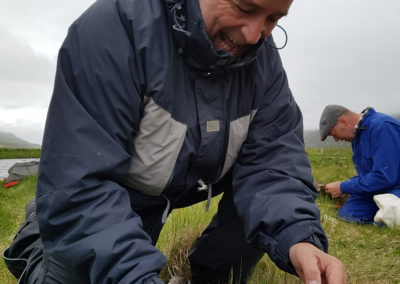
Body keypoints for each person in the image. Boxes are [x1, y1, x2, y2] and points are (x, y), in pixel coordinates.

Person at [4, 0, 345, 283]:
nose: (254, 35)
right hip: (118, 191)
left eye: (273, 18)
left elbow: (273, 164)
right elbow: (83, 184)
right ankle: (36, 238)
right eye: (243, 7)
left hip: (181, 187)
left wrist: (299, 237)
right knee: (73, 265)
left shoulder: (264, 60)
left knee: (256, 208)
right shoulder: (115, 29)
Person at [320, 105, 400, 224]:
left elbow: (384, 176)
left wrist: (343, 187)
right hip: (378, 190)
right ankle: (381, 214)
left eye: (334, 134)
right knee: (348, 214)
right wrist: (345, 186)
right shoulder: (357, 136)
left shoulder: (382, 126)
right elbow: (367, 174)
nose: (336, 140)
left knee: (387, 219)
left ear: (343, 121)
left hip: (395, 188)